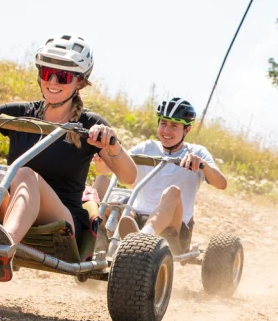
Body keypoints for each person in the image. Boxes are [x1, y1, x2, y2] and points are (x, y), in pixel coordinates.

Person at [0, 34, 137, 282]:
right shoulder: (19, 114)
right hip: (14, 207)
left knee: (22, 172)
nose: (53, 81)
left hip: (62, 220)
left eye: (62, 77)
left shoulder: (89, 125)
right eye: (47, 73)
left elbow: (129, 177)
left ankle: (5, 247)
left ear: (79, 82)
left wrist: (112, 145)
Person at [95, 97, 227, 252]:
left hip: (173, 225)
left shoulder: (197, 152)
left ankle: (143, 238)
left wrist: (202, 166)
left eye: (174, 126)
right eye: (163, 123)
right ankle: (97, 237)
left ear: (187, 130)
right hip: (135, 218)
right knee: (101, 181)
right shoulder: (147, 147)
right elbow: (109, 169)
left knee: (173, 191)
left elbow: (222, 184)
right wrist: (101, 160)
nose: (166, 131)